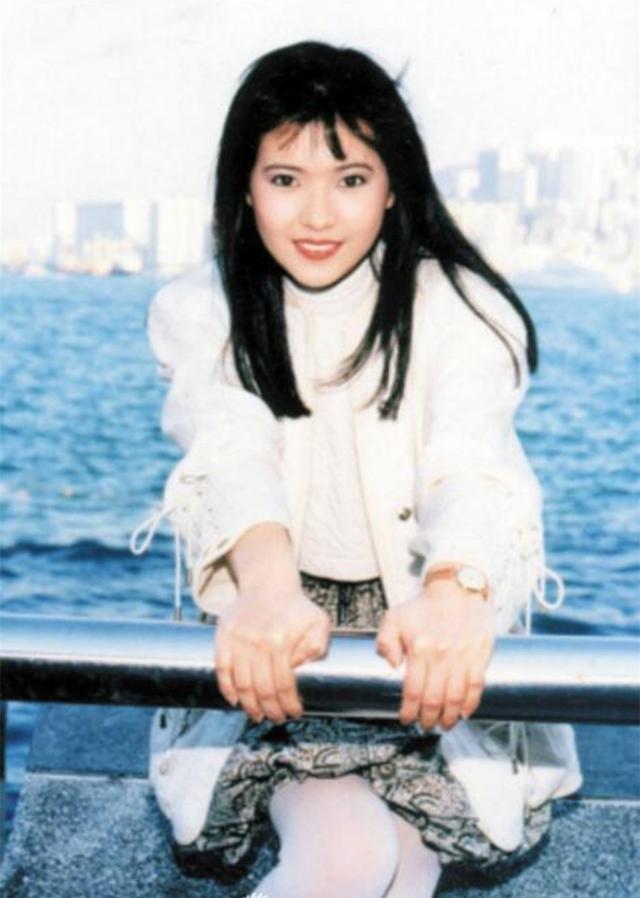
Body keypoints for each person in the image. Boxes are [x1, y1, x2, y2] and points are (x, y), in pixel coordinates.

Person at [132, 41, 582, 898]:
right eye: (284, 178)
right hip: (283, 635)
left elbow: (468, 460)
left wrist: (455, 588)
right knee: (351, 857)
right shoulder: (205, 308)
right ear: (244, 187)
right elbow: (230, 450)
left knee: (400, 867)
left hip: (415, 633)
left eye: (350, 178)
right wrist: (267, 591)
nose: (317, 214)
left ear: (393, 185)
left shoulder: (458, 305)